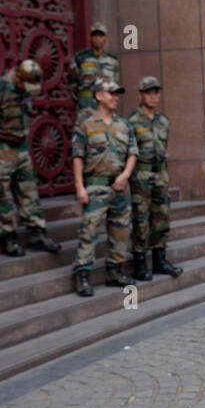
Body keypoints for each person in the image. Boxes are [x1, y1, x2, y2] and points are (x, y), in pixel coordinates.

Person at [0, 60, 62, 257]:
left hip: (20, 147)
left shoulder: (26, 88)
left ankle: (37, 233)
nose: (28, 90)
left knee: (28, 191)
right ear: (18, 77)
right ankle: (8, 236)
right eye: (26, 85)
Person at [71, 79, 137, 296]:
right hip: (95, 186)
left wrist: (126, 175)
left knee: (120, 231)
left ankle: (114, 271)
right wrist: (80, 187)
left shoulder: (124, 124)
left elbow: (133, 153)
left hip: (120, 187)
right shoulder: (86, 124)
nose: (116, 97)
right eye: (111, 93)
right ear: (99, 95)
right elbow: (77, 157)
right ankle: (82, 275)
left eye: (117, 93)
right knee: (89, 231)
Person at [126, 76, 182, 280]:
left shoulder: (163, 120)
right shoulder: (131, 120)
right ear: (140, 94)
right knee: (140, 219)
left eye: (156, 92)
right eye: (149, 92)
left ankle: (160, 260)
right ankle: (140, 263)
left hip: (160, 175)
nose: (153, 96)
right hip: (140, 175)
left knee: (161, 217)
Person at [67, 22, 122, 117]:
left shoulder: (113, 61)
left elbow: (115, 83)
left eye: (101, 36)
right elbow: (72, 84)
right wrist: (82, 99)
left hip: (106, 103)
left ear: (106, 38)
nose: (97, 39)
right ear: (90, 38)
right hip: (86, 104)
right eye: (95, 36)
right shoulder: (80, 58)